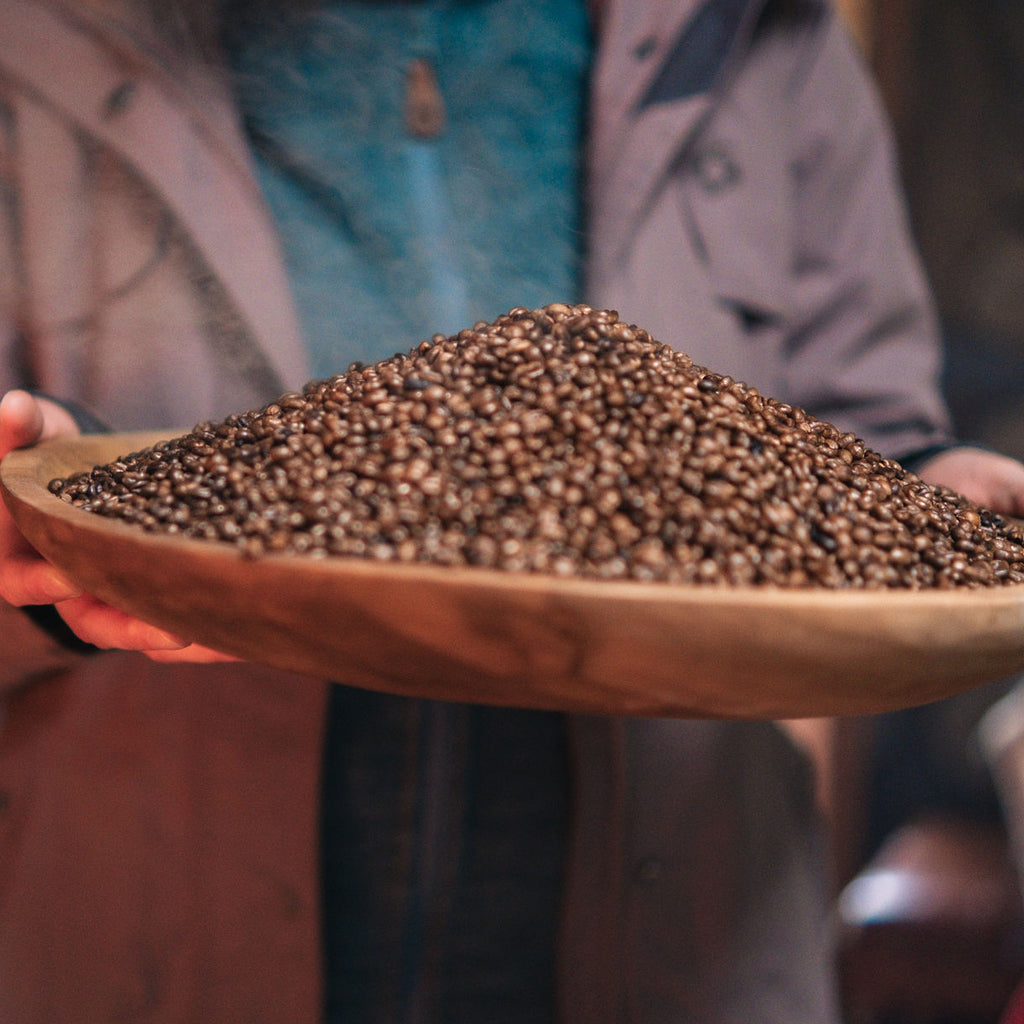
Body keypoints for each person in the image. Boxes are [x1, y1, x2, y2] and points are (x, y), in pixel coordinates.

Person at [2, 1, 1024, 1022]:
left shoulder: (760, 33)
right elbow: (37, 484)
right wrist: (45, 559)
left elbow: (861, 430)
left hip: (688, 949)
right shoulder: (37, 37)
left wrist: (922, 497)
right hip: (149, 941)